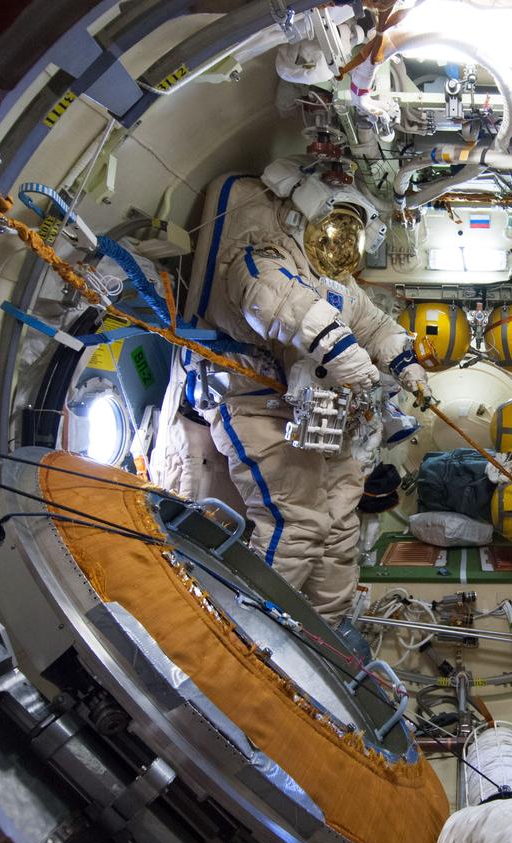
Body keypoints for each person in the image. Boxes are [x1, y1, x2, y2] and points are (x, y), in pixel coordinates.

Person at [156, 163, 429, 625]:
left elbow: (376, 325)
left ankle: (327, 635)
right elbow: (280, 305)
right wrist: (348, 358)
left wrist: (407, 366)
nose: (339, 242)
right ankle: (257, 637)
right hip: (259, 411)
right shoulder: (261, 258)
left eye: (350, 234)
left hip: (321, 411)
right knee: (297, 522)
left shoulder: (338, 288)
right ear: (304, 219)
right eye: (333, 227)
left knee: (341, 520)